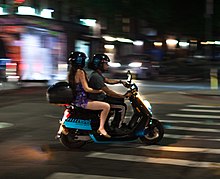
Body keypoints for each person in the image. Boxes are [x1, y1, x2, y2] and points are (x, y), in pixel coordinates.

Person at [68, 51, 111, 138]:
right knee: (106, 106)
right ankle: (101, 128)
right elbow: (86, 88)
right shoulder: (80, 72)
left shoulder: (71, 73)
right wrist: (99, 91)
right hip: (83, 101)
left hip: (76, 100)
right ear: (80, 61)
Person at [88, 54, 131, 129]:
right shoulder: (96, 77)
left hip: (100, 97)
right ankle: (117, 127)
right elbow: (109, 92)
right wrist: (124, 96)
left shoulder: (97, 74)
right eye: (106, 63)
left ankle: (110, 124)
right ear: (100, 64)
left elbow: (108, 80)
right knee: (122, 106)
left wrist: (121, 81)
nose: (107, 65)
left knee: (119, 100)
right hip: (99, 99)